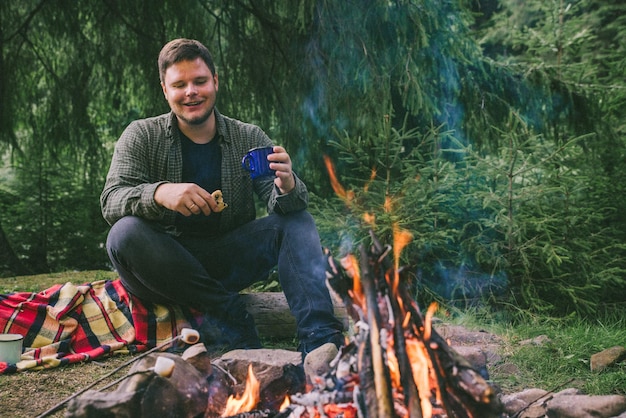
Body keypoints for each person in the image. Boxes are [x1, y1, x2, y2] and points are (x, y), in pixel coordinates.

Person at [100, 38, 344, 356]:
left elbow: (283, 204)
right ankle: (232, 316)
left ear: (215, 81)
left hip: (223, 259)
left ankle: (320, 339)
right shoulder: (143, 135)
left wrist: (285, 185)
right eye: (180, 84)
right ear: (165, 90)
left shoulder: (249, 137)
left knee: (297, 221)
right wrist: (160, 193)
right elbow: (111, 200)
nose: (191, 92)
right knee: (124, 232)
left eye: (200, 81)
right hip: (162, 269)